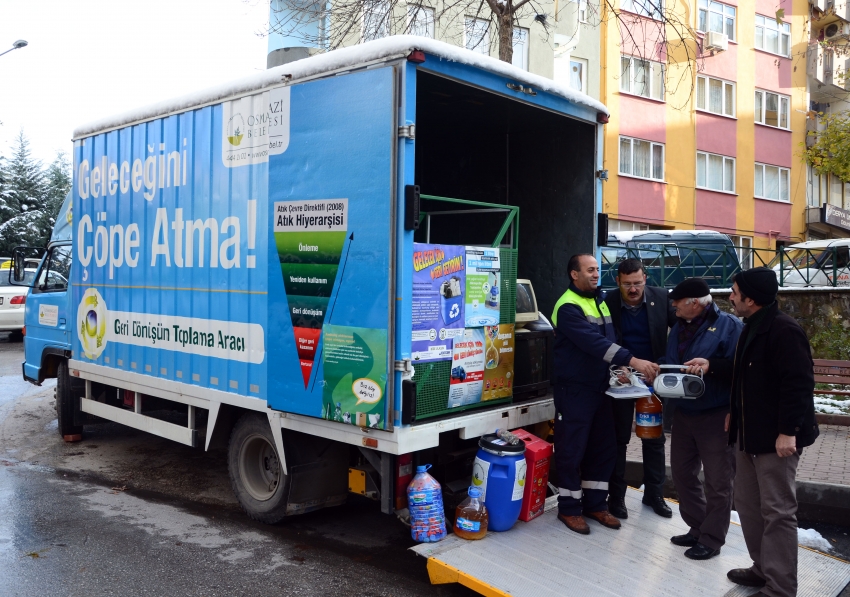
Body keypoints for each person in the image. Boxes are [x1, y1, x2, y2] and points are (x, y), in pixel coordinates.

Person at [705, 268, 817, 597]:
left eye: (735, 291)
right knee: (749, 507)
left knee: (778, 512)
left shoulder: (784, 330)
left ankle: (781, 588)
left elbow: (799, 385)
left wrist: (788, 432)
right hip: (748, 433)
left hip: (775, 441)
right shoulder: (750, 327)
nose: (731, 296)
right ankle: (762, 568)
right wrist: (733, 414)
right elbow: (744, 378)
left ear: (751, 299)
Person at [551, 253, 659, 535]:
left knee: (603, 449)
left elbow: (611, 342)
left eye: (597, 269)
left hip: (601, 389)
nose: (596, 274)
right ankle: (570, 509)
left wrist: (621, 368)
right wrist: (633, 361)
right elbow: (594, 343)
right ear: (574, 274)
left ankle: (596, 505)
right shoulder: (567, 306)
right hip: (574, 390)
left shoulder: (598, 300)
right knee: (571, 450)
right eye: (590, 270)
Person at [664, 277, 742, 561]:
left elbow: (741, 368)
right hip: (684, 412)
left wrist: (711, 369)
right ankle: (698, 527)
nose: (673, 307)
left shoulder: (730, 326)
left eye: (678, 303)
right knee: (682, 474)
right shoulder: (679, 326)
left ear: (694, 303)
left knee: (718, 481)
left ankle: (712, 538)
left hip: (716, 414)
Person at [604, 258, 677, 520]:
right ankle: (617, 496)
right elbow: (601, 340)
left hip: (652, 379)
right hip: (621, 379)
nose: (633, 290)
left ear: (645, 278)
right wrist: (617, 367)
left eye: (637, 283)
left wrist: (665, 364)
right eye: (627, 285)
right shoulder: (607, 302)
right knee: (619, 438)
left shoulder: (661, 297)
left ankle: (654, 493)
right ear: (618, 282)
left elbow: (678, 332)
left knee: (654, 437)